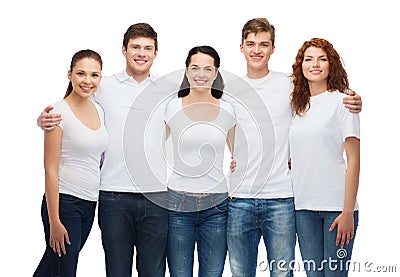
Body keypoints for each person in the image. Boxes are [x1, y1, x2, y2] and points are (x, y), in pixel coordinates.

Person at [225, 18, 363, 277]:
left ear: (273, 49)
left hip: (283, 199)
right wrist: (234, 154)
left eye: (264, 44)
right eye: (251, 44)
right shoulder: (230, 88)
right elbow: (220, 121)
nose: (257, 50)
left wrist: (355, 99)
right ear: (241, 47)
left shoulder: (290, 86)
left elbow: (326, 97)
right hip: (257, 199)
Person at [37, 23, 169, 277]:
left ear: (155, 53)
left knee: (153, 272)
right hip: (112, 196)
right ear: (124, 50)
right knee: (115, 271)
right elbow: (71, 108)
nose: (141, 53)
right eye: (135, 47)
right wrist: (42, 120)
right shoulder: (102, 85)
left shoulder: (167, 89)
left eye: (147, 48)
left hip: (156, 196)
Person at [34, 49, 109, 276]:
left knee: (52, 268)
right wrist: (55, 220)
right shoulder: (57, 113)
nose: (87, 81)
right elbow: (50, 169)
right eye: (81, 74)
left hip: (89, 204)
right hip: (65, 204)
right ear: (70, 75)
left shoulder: (98, 109)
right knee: (64, 271)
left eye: (94, 75)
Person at [289, 38, 360, 276]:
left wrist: (348, 211)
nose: (315, 64)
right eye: (308, 59)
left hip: (336, 208)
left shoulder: (344, 102)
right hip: (303, 208)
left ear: (331, 64)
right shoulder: (297, 107)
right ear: (301, 66)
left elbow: (354, 161)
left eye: (322, 59)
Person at [165, 46, 235, 277]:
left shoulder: (227, 109)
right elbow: (152, 148)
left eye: (208, 69)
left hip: (216, 205)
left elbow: (239, 154)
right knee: (180, 274)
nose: (201, 74)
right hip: (178, 203)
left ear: (216, 73)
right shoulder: (171, 106)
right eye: (195, 68)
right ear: (186, 71)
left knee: (212, 273)